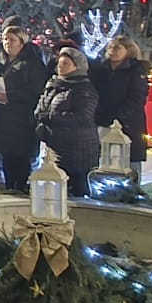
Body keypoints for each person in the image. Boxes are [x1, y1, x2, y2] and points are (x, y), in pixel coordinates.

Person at [0, 26, 47, 193]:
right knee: (7, 158)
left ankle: (19, 188)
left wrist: (9, 96)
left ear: (22, 42)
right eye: (5, 39)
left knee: (21, 159)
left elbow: (35, 90)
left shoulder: (31, 63)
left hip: (22, 120)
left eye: (12, 40)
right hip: (3, 119)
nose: (7, 43)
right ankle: (10, 187)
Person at [37, 46, 102, 195]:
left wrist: (51, 117)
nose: (61, 66)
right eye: (59, 63)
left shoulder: (84, 89)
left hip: (77, 147)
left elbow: (83, 116)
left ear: (77, 66)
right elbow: (42, 105)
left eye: (66, 63)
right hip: (56, 146)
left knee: (77, 187)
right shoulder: (54, 85)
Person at [90, 35, 151, 193]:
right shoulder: (100, 70)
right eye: (110, 47)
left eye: (117, 48)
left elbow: (137, 99)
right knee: (105, 158)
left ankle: (132, 192)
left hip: (128, 124)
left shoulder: (136, 71)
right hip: (102, 122)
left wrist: (115, 117)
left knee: (129, 160)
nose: (112, 51)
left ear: (128, 51)